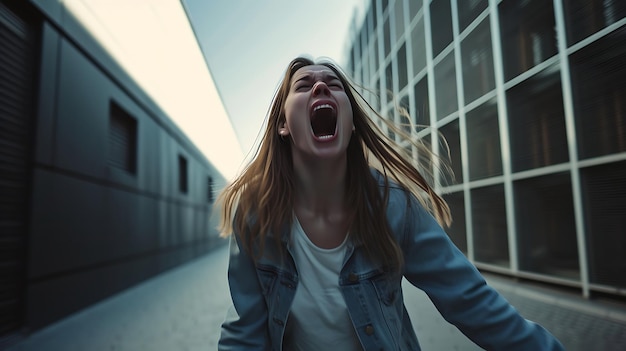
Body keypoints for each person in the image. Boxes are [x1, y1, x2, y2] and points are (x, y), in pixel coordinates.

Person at [216, 56, 564, 350]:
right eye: (304, 85)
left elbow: (471, 302)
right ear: (282, 125)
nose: (321, 87)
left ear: (351, 124)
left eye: (333, 84)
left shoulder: (395, 206)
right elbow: (244, 336)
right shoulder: (255, 213)